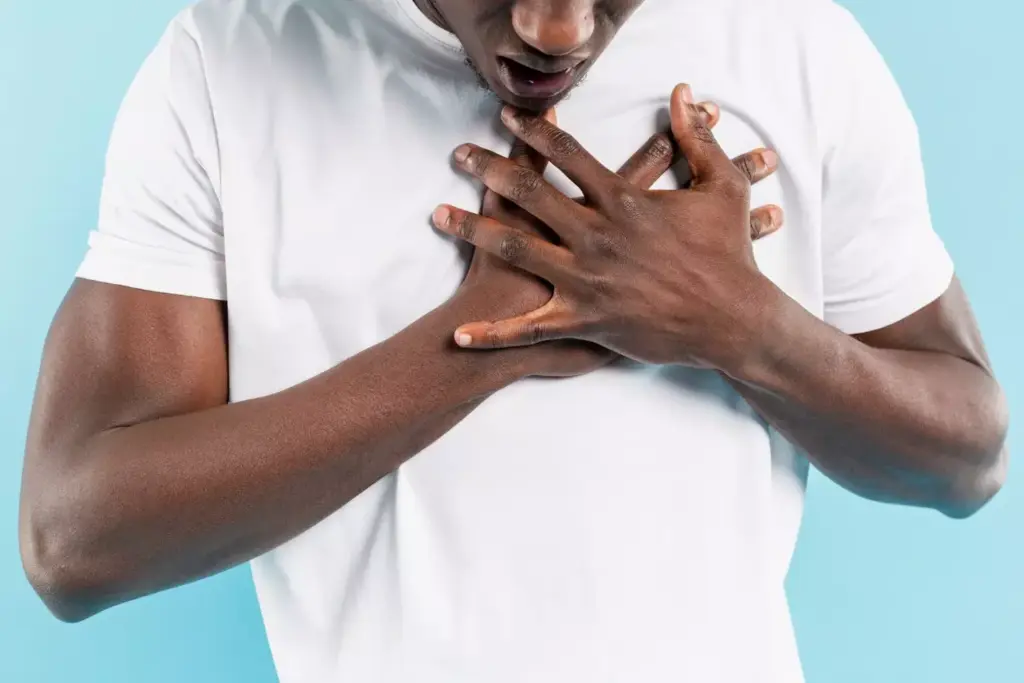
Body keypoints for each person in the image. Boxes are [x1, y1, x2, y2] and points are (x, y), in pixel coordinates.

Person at [19, 0, 1008, 681]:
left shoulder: (797, 45)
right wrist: (486, 339)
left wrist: (737, 322)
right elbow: (75, 539)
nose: (556, 29)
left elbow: (966, 456)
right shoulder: (231, 62)